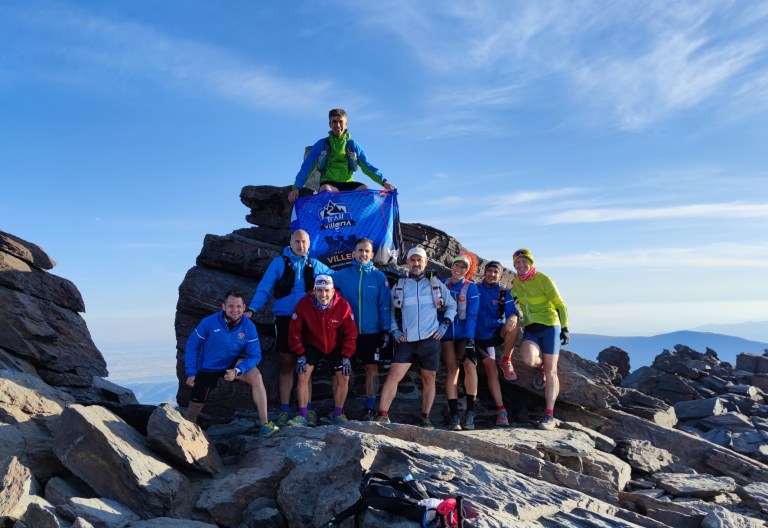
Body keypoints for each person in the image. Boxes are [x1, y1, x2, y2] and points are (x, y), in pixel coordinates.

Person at [245, 229, 333, 426]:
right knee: (287, 363)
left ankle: (307, 410)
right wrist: (252, 309)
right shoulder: (279, 263)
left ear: (309, 244)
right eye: (297, 241)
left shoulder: (315, 264)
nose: (300, 245)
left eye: (304, 242)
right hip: (285, 318)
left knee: (306, 365)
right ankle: (285, 410)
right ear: (290, 242)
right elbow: (264, 288)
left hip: (309, 319)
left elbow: (337, 278)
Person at [376, 247, 457, 429]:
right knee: (393, 376)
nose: (416, 263)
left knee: (429, 379)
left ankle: (425, 417)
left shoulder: (435, 284)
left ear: (426, 262)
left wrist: (444, 325)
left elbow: (451, 306)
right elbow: (387, 309)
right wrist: (394, 330)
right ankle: (382, 415)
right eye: (412, 260)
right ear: (407, 263)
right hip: (407, 340)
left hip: (430, 340)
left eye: (419, 260)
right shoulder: (400, 285)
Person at [184, 290, 278, 438]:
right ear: (224, 306)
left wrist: (238, 370)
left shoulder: (248, 326)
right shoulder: (209, 322)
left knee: (256, 376)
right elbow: (191, 345)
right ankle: (185, 433)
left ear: (244, 307)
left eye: (239, 306)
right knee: (196, 406)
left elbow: (255, 355)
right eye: (231, 306)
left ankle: (265, 425)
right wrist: (191, 372)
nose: (235, 310)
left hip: (231, 364)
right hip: (208, 367)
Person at [286, 275, 358, 426]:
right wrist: (300, 353)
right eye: (319, 290)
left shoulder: (343, 305)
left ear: (332, 291)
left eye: (326, 290)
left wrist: (346, 356)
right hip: (312, 344)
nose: (323, 294)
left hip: (335, 346)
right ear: (314, 291)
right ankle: (304, 415)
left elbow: (351, 333)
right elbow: (294, 330)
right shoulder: (304, 303)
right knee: (303, 375)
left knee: (344, 377)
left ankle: (338, 414)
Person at [332, 238, 392, 420]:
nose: (363, 254)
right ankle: (338, 410)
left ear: (372, 255)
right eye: (360, 250)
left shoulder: (379, 276)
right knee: (340, 371)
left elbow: (385, 305)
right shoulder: (341, 275)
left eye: (367, 251)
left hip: (371, 332)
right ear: (353, 253)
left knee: (371, 370)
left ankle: (369, 407)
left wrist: (385, 330)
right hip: (347, 332)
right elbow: (323, 287)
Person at [510, 249, 569, 431]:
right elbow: (510, 299)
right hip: (531, 328)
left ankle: (549, 415)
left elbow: (560, 304)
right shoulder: (517, 283)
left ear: (531, 263)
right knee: (528, 359)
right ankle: (541, 367)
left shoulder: (544, 279)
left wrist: (565, 327)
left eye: (524, 262)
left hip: (550, 327)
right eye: (518, 263)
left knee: (552, 372)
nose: (521, 266)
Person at [288, 108, 395, 203]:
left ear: (346, 124)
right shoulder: (322, 144)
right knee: (326, 192)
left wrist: (384, 182)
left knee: (367, 192)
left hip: (348, 183)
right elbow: (307, 166)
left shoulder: (352, 145)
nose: (338, 125)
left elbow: (367, 166)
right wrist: (296, 187)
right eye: (334, 122)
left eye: (341, 122)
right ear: (330, 124)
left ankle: (357, 222)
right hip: (329, 184)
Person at [474, 260, 519, 428]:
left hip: (493, 335)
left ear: (500, 276)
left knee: (514, 327)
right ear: (484, 272)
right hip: (475, 337)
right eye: (489, 271)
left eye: (496, 272)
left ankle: (506, 360)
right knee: (490, 371)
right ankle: (498, 409)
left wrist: (514, 317)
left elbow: (511, 313)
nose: (492, 274)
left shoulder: (503, 293)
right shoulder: (475, 288)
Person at [440, 252, 481, 430]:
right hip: (447, 334)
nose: (458, 269)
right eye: (456, 265)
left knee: (470, 367)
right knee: (452, 370)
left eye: (463, 267)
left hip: (465, 334)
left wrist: (471, 339)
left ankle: (470, 413)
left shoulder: (471, 288)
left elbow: (472, 315)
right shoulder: (441, 284)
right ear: (452, 266)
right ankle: (454, 415)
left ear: (467, 270)